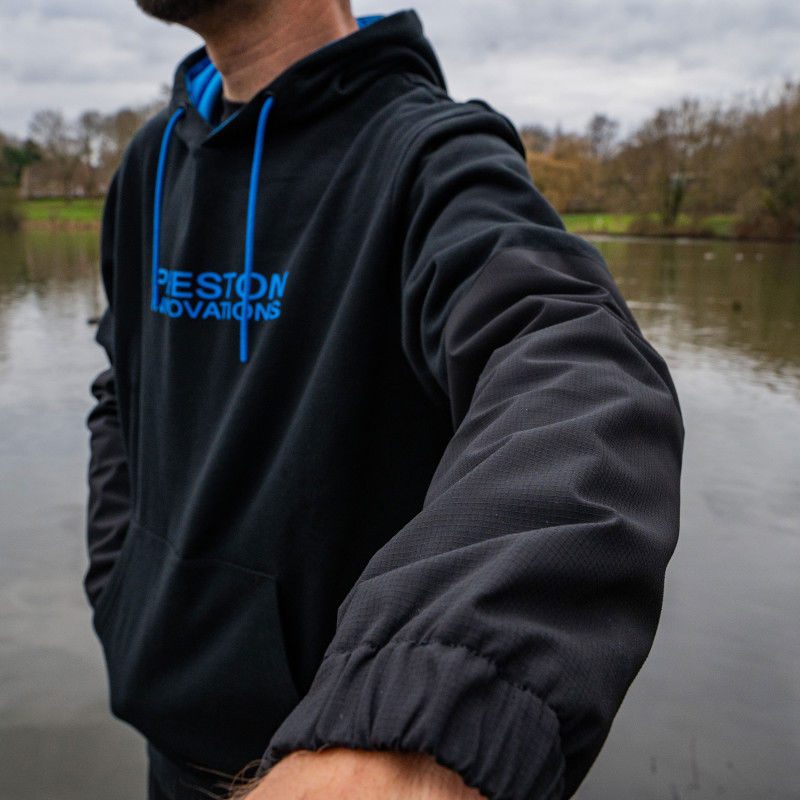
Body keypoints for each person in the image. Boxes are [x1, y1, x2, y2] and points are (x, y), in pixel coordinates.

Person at [83, 1, 684, 798]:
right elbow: (118, 391)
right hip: (163, 743)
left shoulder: (431, 154)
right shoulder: (149, 163)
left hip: (325, 755)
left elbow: (578, 369)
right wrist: (119, 584)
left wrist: (421, 715)